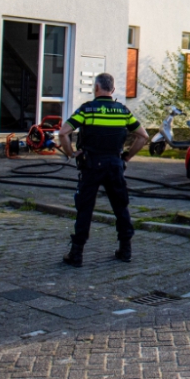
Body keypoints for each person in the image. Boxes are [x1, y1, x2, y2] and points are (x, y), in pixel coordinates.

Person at [57, 72, 149, 266]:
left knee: (85, 208)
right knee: (120, 207)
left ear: (96, 88)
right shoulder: (123, 111)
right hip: (115, 165)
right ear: (112, 90)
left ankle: (77, 253)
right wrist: (127, 157)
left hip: (91, 166)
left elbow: (64, 132)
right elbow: (143, 136)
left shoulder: (87, 110)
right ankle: (125, 250)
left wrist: (70, 153)